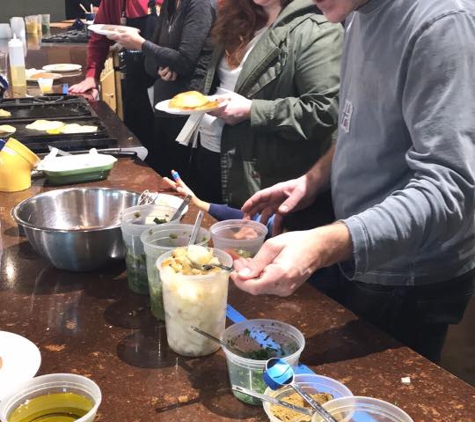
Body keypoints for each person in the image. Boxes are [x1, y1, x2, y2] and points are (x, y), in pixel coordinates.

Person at [232, 0, 475, 363]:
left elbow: (450, 186)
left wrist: (327, 243)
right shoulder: (356, 12)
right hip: (361, 250)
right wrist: (311, 180)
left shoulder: (443, 24)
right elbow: (360, 126)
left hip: (408, 274)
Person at [191, 0, 343, 207]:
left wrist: (252, 111)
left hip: (258, 170)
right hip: (209, 148)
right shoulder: (238, 17)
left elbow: (324, 111)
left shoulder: (316, 27)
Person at [109, 0, 217, 178]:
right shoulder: (169, 5)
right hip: (164, 106)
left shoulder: (200, 4)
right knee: (163, 174)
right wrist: (162, 63)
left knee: (181, 179)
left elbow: (184, 61)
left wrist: (141, 44)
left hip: (188, 109)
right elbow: (149, 65)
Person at [69, 0, 163, 150]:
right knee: (138, 146)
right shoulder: (115, 2)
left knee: (166, 149)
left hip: (167, 82)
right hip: (136, 82)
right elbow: (99, 37)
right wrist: (92, 75)